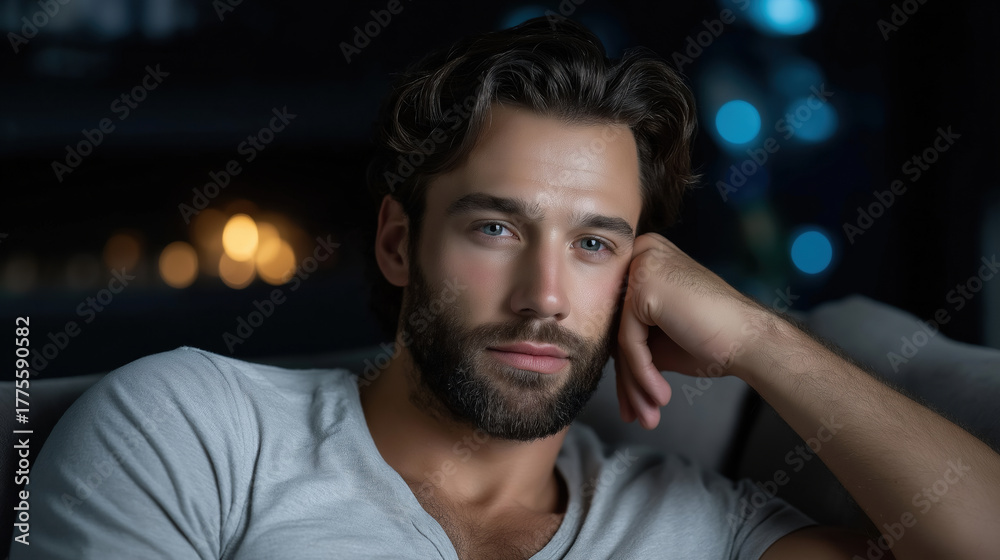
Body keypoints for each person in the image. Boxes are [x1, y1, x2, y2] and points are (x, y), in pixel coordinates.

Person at [13, 16, 1000, 560]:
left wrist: (760, 337)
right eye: (496, 226)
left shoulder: (702, 527)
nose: (543, 293)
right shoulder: (194, 427)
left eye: (594, 244)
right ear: (398, 243)